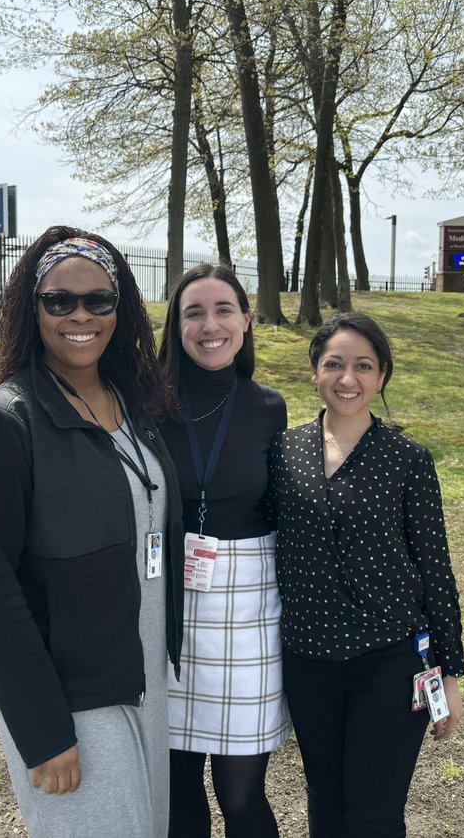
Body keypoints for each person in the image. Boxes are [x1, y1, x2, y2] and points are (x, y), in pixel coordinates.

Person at [0, 226, 185, 838]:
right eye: (60, 301)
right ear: (32, 309)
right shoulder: (2, 425)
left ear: (121, 309)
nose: (80, 315)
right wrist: (42, 729)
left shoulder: (130, 401)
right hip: (69, 693)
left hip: (140, 674)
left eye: (98, 300)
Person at [269, 311, 464, 838]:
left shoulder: (408, 460)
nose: (347, 378)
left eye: (363, 366)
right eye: (334, 364)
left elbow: (435, 569)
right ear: (314, 372)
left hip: (390, 661)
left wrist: (449, 671)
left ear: (382, 377)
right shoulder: (284, 452)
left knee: (373, 814)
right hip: (308, 660)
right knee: (326, 806)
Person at [157, 264, 290, 838]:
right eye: (194, 312)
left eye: (223, 311)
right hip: (165, 610)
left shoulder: (269, 406)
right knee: (178, 792)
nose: (210, 326)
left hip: (248, 614)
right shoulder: (144, 404)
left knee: (241, 797)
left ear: (246, 320)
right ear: (175, 325)